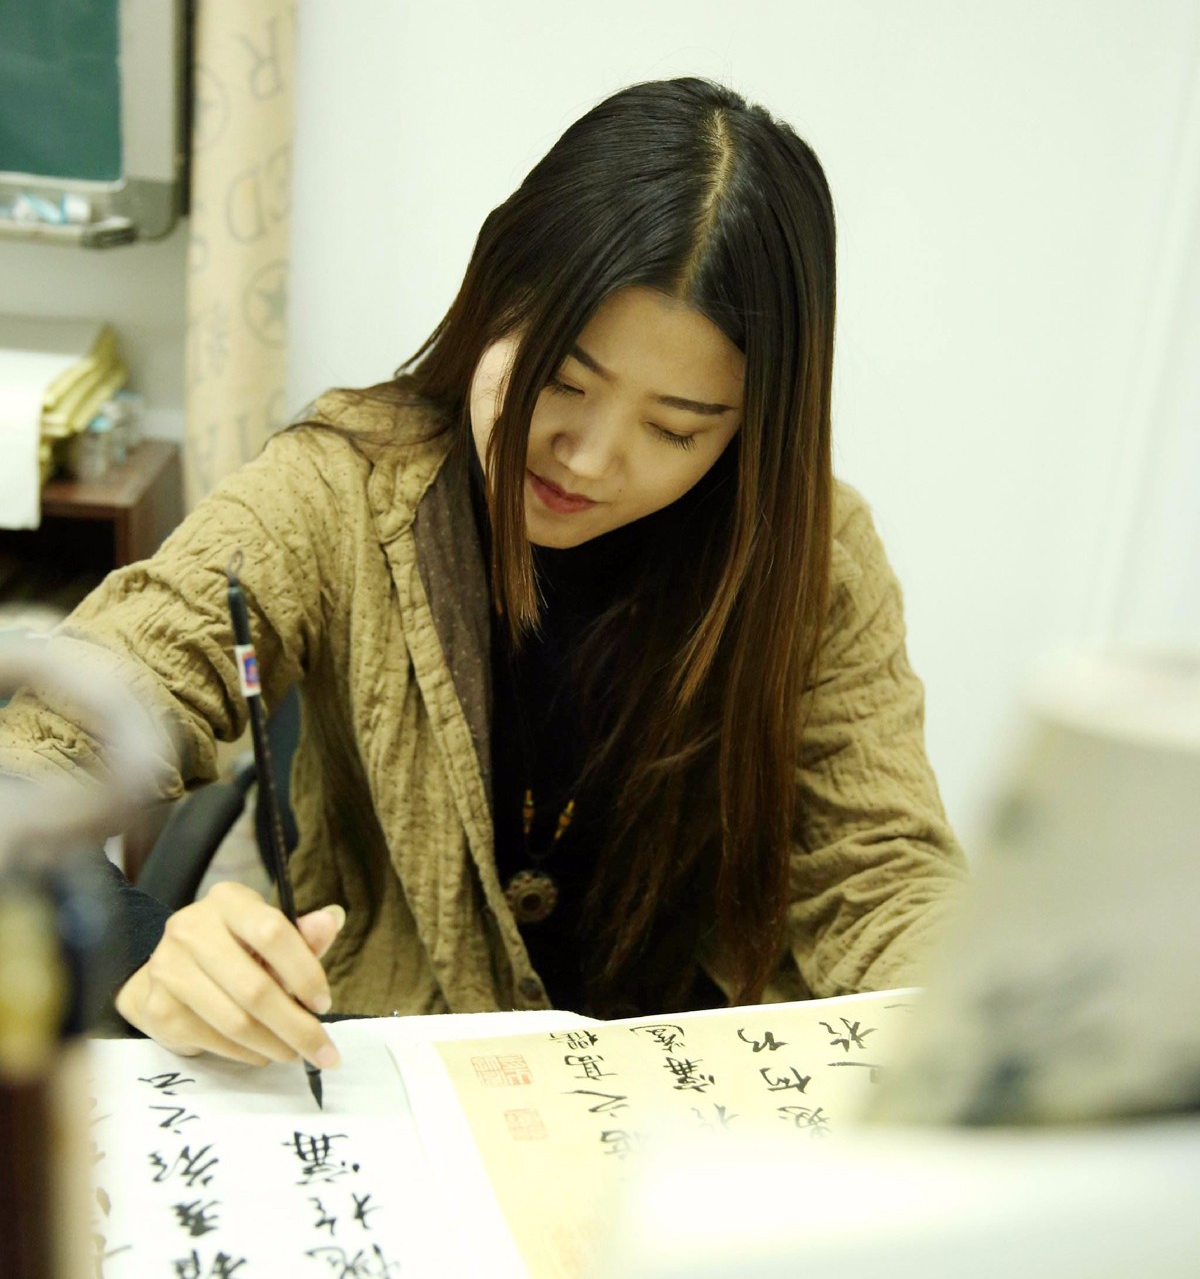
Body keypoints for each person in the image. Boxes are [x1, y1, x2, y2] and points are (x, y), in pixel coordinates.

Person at [0, 77, 966, 1075]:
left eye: (675, 428)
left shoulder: (811, 557)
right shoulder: (338, 489)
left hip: (694, 1090)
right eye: (562, 380)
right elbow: (41, 750)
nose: (589, 458)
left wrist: (970, 1027)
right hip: (399, 1073)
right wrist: (144, 949)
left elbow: (879, 875)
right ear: (493, 292)